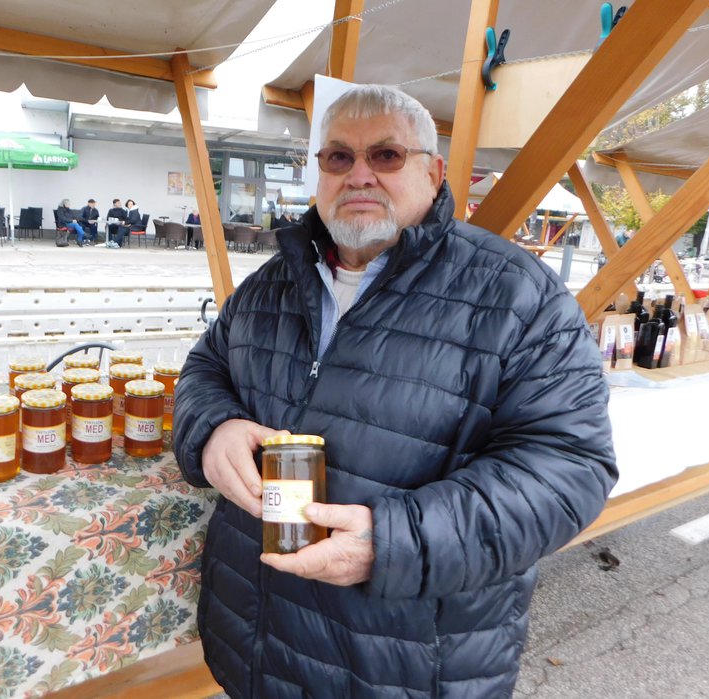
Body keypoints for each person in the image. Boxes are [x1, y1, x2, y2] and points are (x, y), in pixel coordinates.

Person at [172, 84, 617, 698]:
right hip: (253, 638)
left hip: (404, 664)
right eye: (338, 158)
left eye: (385, 156)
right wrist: (212, 427)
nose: (359, 175)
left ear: (433, 173)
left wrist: (393, 543)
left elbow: (571, 468)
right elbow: (204, 370)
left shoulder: (519, 296)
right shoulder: (272, 282)